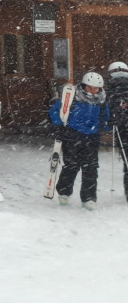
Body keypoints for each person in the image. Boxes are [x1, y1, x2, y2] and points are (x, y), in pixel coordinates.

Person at [50, 71, 108, 210]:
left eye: (96, 88)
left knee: (91, 168)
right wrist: (59, 126)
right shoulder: (72, 97)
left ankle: (88, 198)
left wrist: (106, 124)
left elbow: (105, 117)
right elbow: (54, 111)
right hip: (72, 135)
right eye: (90, 87)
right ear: (83, 85)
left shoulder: (102, 100)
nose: (93, 91)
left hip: (92, 137)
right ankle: (64, 192)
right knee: (71, 166)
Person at [105, 62, 128, 202]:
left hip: (121, 130)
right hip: (123, 128)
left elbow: (106, 110)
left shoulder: (109, 91)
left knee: (127, 160)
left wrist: (111, 120)